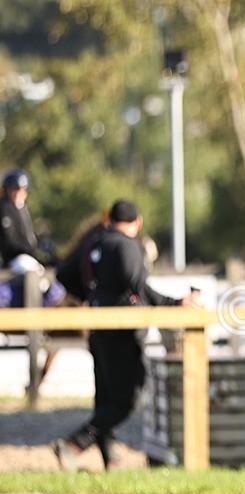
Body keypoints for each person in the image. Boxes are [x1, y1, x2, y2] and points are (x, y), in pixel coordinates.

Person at [51, 199, 199, 472]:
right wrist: (175, 303)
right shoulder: (128, 245)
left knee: (106, 399)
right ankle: (73, 443)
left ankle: (112, 461)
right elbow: (139, 286)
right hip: (123, 333)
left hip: (97, 331)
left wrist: (91, 294)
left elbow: (63, 274)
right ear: (137, 222)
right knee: (128, 399)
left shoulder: (92, 244)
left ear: (109, 220)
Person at [1, 168, 53, 274]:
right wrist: (32, 249)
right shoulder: (4, 209)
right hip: (15, 258)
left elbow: (28, 235)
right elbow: (9, 240)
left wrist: (41, 242)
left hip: (27, 256)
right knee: (33, 272)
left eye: (21, 190)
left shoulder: (22, 208)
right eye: (14, 189)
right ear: (7, 190)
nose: (18, 193)